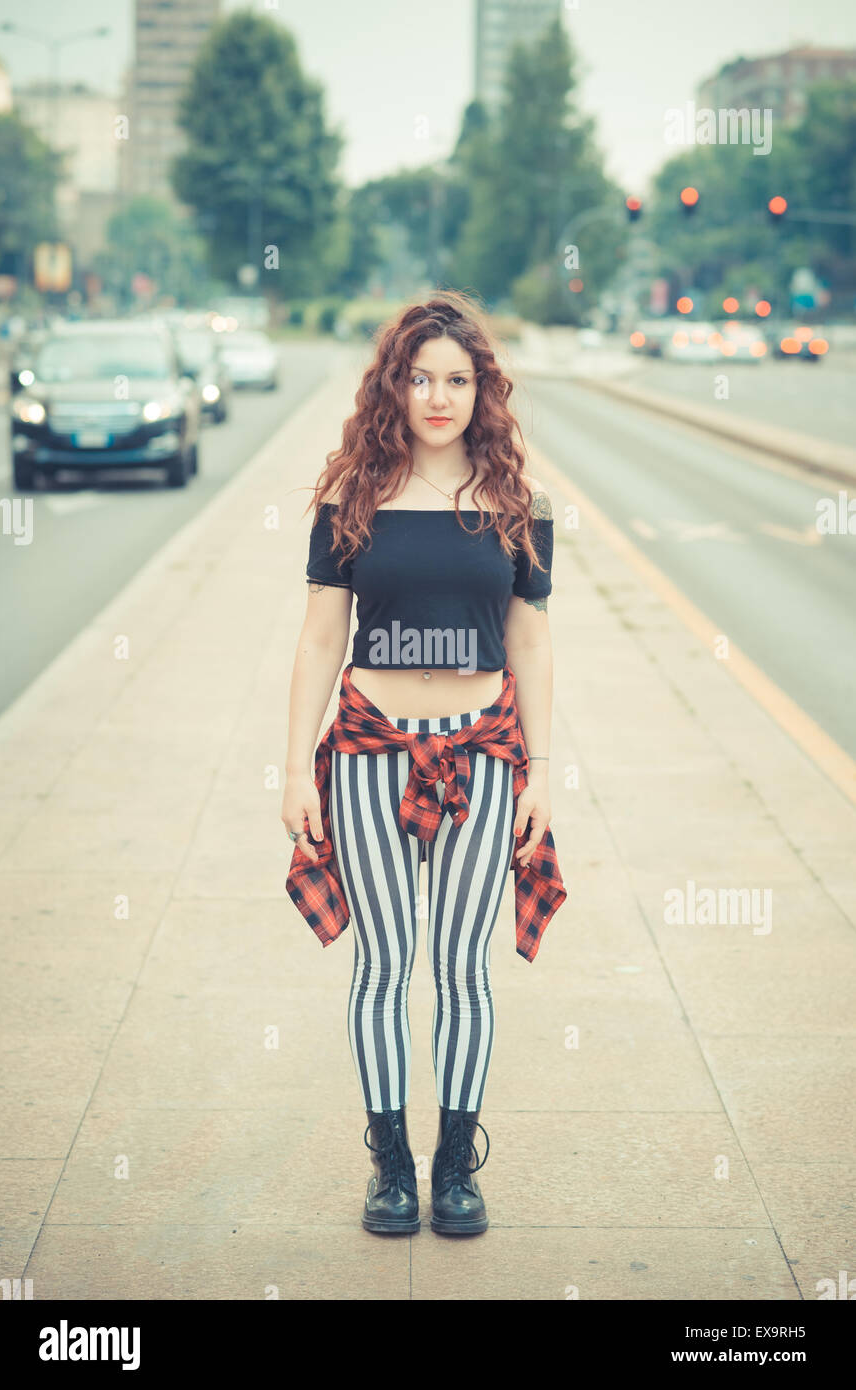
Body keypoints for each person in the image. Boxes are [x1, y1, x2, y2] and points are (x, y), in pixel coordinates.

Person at [282, 290, 567, 1237]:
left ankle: (454, 1166)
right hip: (367, 752)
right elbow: (321, 641)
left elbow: (528, 644)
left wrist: (541, 769)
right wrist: (294, 771)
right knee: (383, 965)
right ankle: (391, 1168)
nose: (436, 396)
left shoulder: (518, 503)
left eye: (456, 378)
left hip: (483, 755)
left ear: (481, 388)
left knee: (462, 968)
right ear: (392, 386)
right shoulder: (349, 499)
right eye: (418, 378)